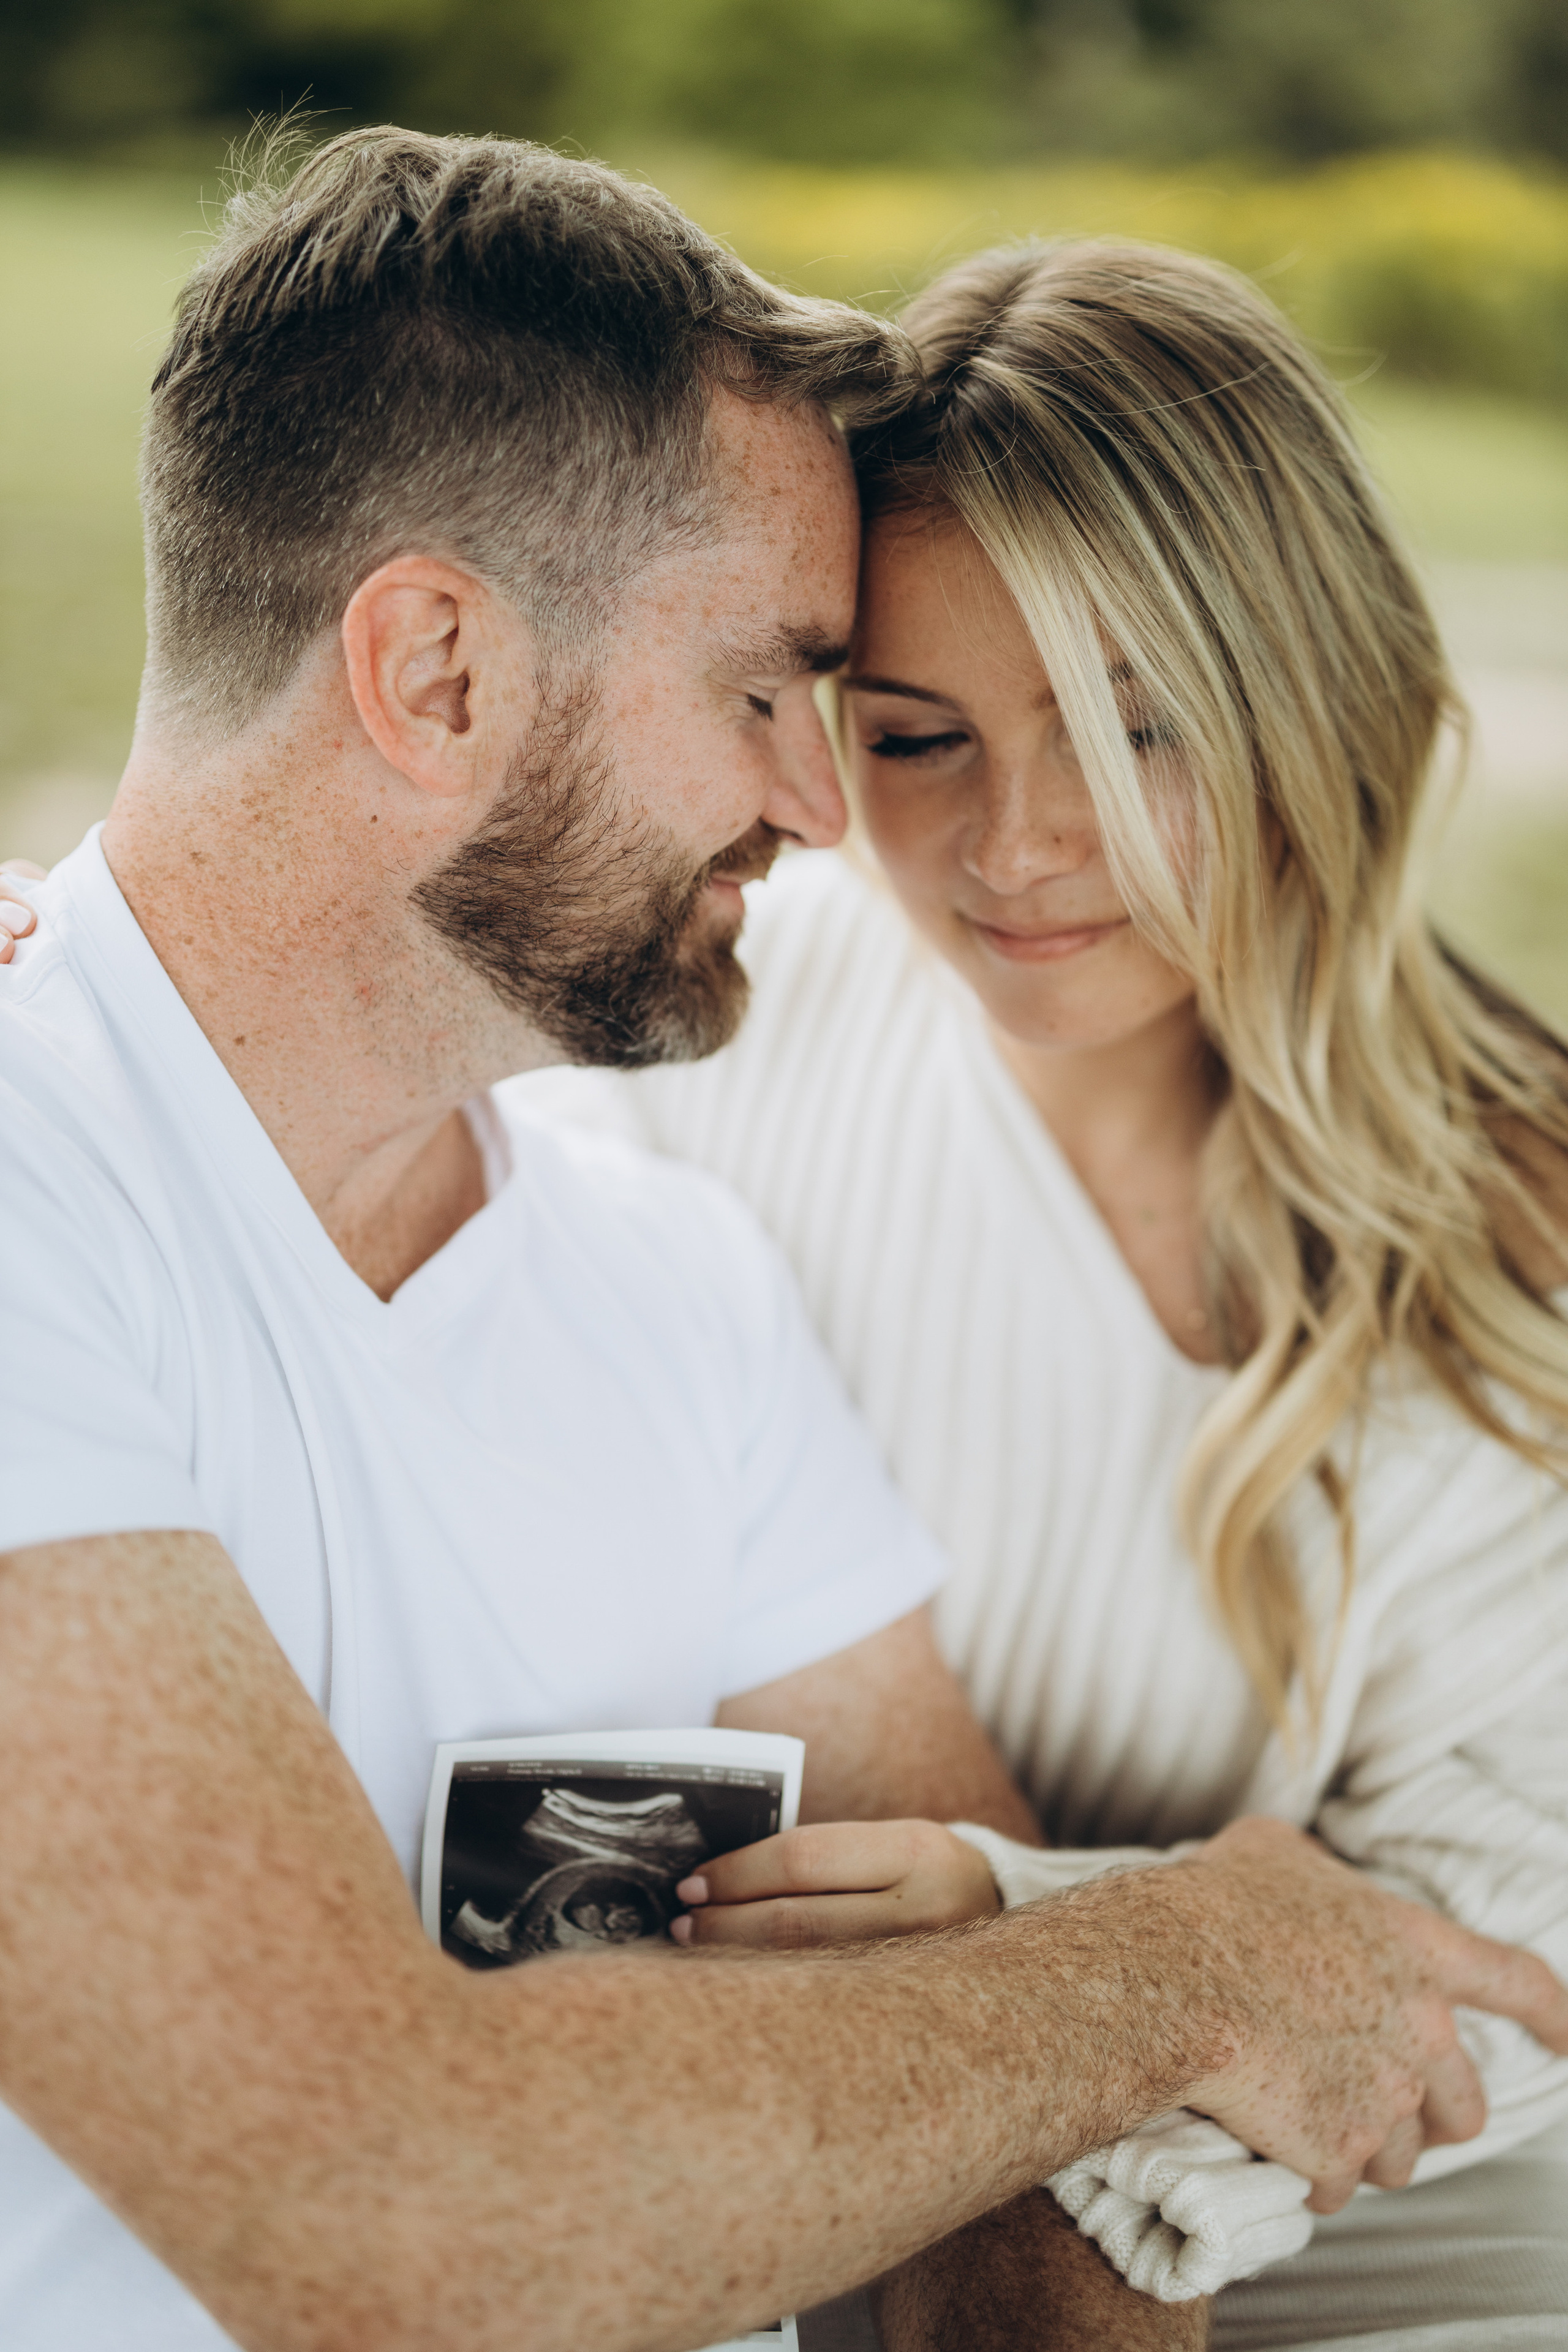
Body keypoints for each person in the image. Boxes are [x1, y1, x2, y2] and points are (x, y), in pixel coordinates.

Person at [1, 132, 1565, 2352]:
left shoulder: (670, 1255)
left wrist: (1084, 1967)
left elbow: (1057, 2177)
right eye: (812, 704)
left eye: (1135, 724)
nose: (848, 818)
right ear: (436, 669)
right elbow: (384, 2210)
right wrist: (1174, 1965)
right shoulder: (97, 1178)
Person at [491, 240, 1568, 2348]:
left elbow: (1507, 1964)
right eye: (917, 739)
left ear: (1307, 690)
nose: (1019, 845)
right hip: (835, 2200)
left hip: (1381, 2238)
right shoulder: (735, 1041)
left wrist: (1026, 1939)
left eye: (1137, 726)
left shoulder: (1516, 1228)